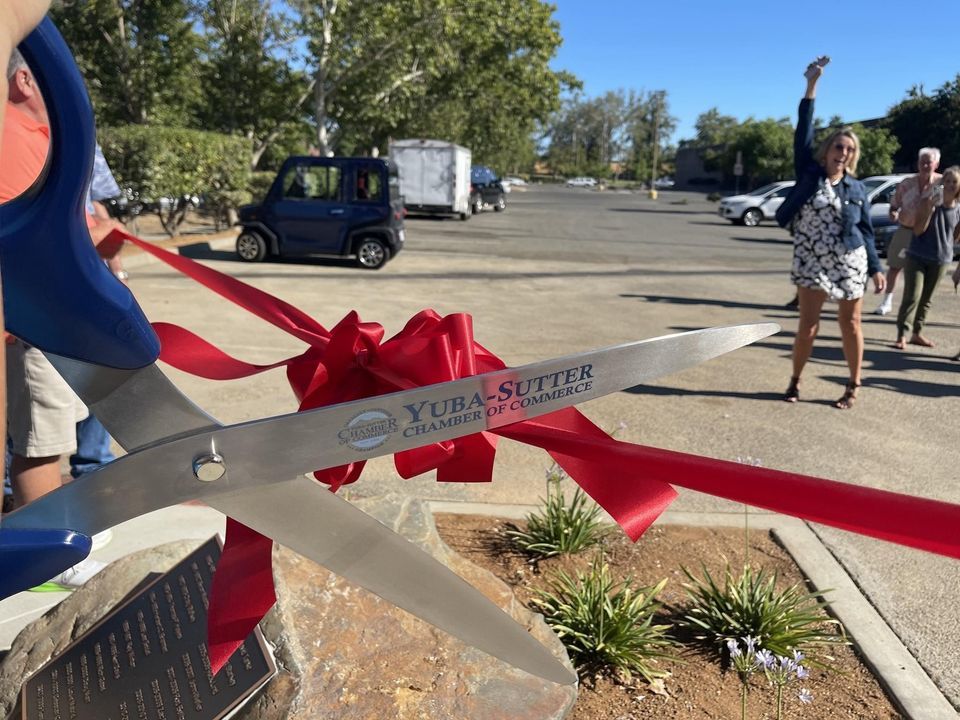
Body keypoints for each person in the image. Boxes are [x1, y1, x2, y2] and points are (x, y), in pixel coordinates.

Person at [1, 49, 123, 587]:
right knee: (40, 443)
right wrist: (95, 239)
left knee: (57, 436)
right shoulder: (11, 136)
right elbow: (35, 236)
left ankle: (54, 539)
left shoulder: (36, 135)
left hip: (56, 320)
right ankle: (46, 558)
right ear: (28, 78)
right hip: (36, 322)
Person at [775, 57, 885, 409]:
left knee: (851, 324)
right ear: (827, 151)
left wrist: (876, 268)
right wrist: (811, 85)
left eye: (850, 149)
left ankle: (853, 385)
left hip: (849, 262)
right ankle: (795, 381)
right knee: (807, 326)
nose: (844, 153)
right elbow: (803, 130)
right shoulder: (809, 173)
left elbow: (865, 231)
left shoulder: (857, 189)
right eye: (839, 146)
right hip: (811, 260)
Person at [892, 167, 960, 350]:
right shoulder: (927, 202)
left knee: (927, 299)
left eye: (954, 182)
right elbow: (918, 230)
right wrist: (930, 208)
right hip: (918, 255)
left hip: (941, 259)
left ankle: (917, 333)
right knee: (912, 296)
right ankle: (901, 335)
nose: (950, 185)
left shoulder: (958, 208)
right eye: (947, 181)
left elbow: (955, 237)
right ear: (941, 184)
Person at [873, 148, 942, 315]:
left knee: (926, 271)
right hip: (906, 230)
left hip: (929, 234)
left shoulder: (940, 183)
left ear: (936, 164)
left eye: (928, 162)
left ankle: (919, 305)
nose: (925, 166)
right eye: (922, 162)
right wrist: (893, 212)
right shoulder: (906, 183)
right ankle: (887, 301)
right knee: (895, 266)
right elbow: (894, 204)